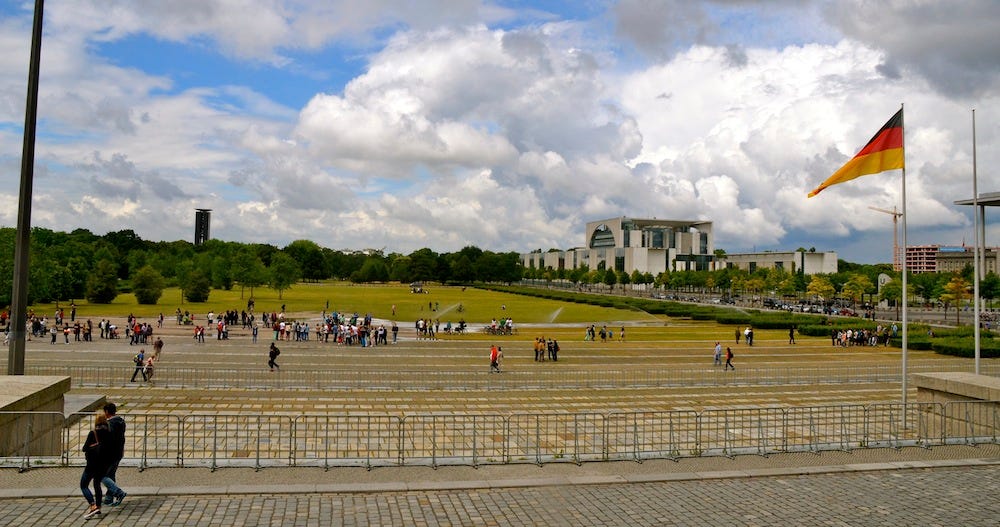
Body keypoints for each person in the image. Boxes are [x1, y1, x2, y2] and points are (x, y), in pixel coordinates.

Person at [80, 412, 112, 519]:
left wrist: (91, 447)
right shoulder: (109, 433)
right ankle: (98, 506)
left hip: (92, 464)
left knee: (84, 485)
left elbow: (85, 448)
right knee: (97, 485)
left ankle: (92, 505)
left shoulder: (93, 433)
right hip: (103, 464)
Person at [100, 403, 127, 507]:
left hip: (109, 454)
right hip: (118, 453)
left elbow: (107, 441)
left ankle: (118, 492)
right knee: (110, 475)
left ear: (107, 412)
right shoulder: (121, 421)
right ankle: (108, 498)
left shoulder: (109, 424)